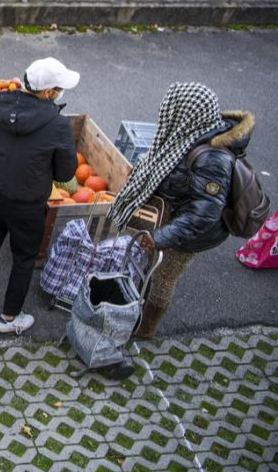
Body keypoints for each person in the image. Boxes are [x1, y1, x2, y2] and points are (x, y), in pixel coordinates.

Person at [108, 82, 254, 338]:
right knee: (151, 268)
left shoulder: (212, 158)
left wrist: (160, 238)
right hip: (172, 217)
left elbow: (203, 215)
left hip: (189, 235)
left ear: (186, 114)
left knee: (164, 278)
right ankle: (139, 303)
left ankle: (146, 329)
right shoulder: (189, 135)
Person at [0, 57, 80, 334]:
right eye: (58, 88)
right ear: (47, 92)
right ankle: (8, 317)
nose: (59, 93)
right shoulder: (58, 125)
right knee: (24, 258)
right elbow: (65, 173)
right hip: (28, 204)